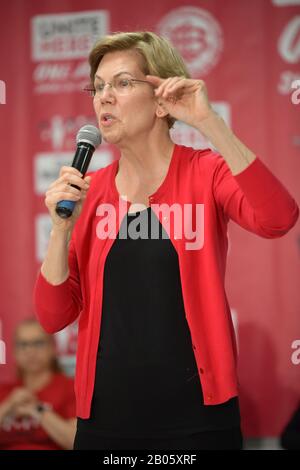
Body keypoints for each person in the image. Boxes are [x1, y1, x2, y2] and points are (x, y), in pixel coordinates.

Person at [34, 31, 299, 450]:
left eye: (122, 83)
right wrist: (61, 228)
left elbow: (278, 219)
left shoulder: (205, 172)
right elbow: (52, 317)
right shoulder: (90, 191)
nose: (104, 97)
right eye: (98, 86)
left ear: (162, 100)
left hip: (196, 420)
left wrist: (209, 123)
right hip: (106, 421)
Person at [0, 318, 76, 450]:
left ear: (53, 348)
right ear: (14, 352)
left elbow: (75, 442)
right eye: (23, 344)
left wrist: (37, 410)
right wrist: (8, 405)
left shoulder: (70, 388)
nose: (30, 351)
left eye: (38, 343)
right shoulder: (4, 391)